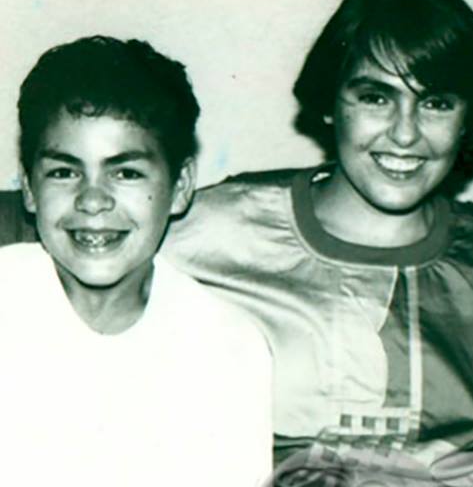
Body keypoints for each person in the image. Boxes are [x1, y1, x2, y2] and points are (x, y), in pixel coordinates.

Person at [161, 0, 473, 484]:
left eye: (436, 103)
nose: (405, 133)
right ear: (330, 102)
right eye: (375, 97)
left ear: (468, 118)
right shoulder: (207, 233)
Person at [0, 35, 272, 487]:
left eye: (126, 173)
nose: (92, 200)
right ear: (29, 188)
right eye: (64, 172)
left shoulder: (225, 345)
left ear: (180, 187)